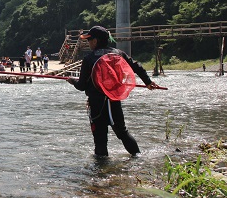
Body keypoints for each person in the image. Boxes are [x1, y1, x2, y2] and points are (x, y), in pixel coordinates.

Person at [67, 26, 160, 157]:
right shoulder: (118, 53)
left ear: (96, 41)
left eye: (89, 40)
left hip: (97, 104)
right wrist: (148, 82)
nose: (88, 43)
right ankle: (138, 157)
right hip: (114, 100)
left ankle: (101, 172)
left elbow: (81, 86)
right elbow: (137, 67)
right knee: (122, 132)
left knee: (100, 138)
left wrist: (72, 81)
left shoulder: (89, 59)